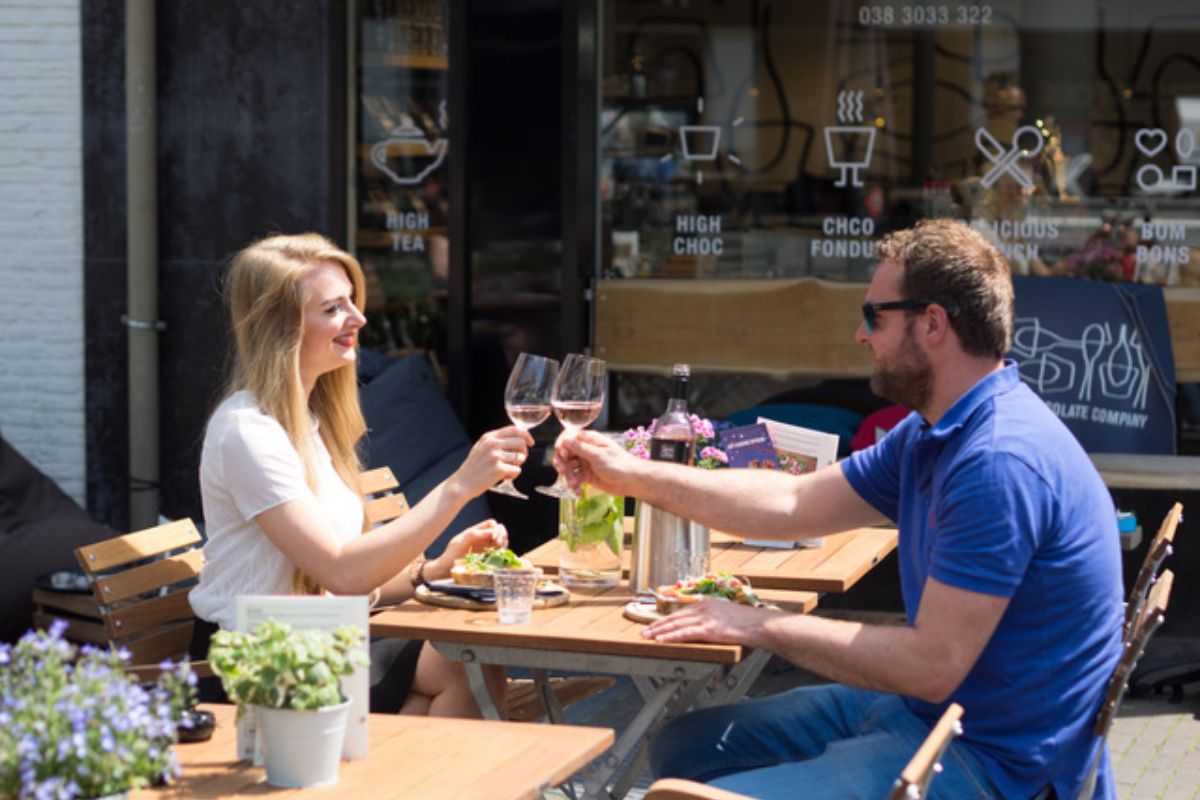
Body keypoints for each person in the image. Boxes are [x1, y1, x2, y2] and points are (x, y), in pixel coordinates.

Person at [554, 219, 1123, 799]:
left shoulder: (998, 461)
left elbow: (931, 665)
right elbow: (793, 500)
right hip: (933, 716)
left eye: (874, 315)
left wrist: (764, 625)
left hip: (993, 765)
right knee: (683, 748)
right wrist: (633, 475)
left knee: (680, 794)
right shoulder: (940, 428)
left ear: (932, 324)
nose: (860, 334)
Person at [189, 232, 533, 717]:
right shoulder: (247, 431)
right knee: (464, 669)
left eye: (352, 301)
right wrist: (460, 486)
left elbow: (342, 583)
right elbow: (342, 571)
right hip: (256, 659)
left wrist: (433, 570)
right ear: (280, 327)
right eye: (333, 309)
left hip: (317, 639)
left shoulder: (308, 423)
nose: (359, 318)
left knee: (471, 666)